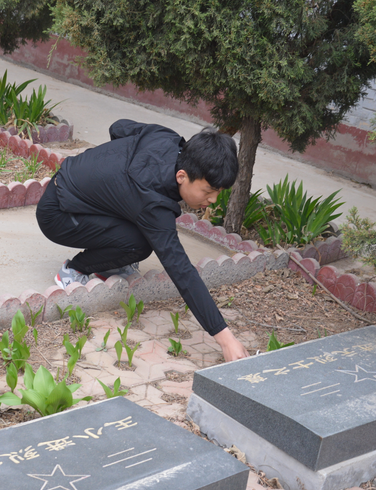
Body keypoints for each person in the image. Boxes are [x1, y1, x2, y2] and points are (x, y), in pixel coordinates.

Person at [36, 119, 249, 362]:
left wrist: (112, 172)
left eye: (218, 193)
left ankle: (107, 261)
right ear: (182, 176)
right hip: (59, 215)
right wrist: (225, 338)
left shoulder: (166, 138)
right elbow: (180, 269)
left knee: (139, 235)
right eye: (208, 191)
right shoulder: (151, 201)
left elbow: (118, 127)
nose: (212, 200)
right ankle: (74, 269)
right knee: (139, 244)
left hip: (67, 180)